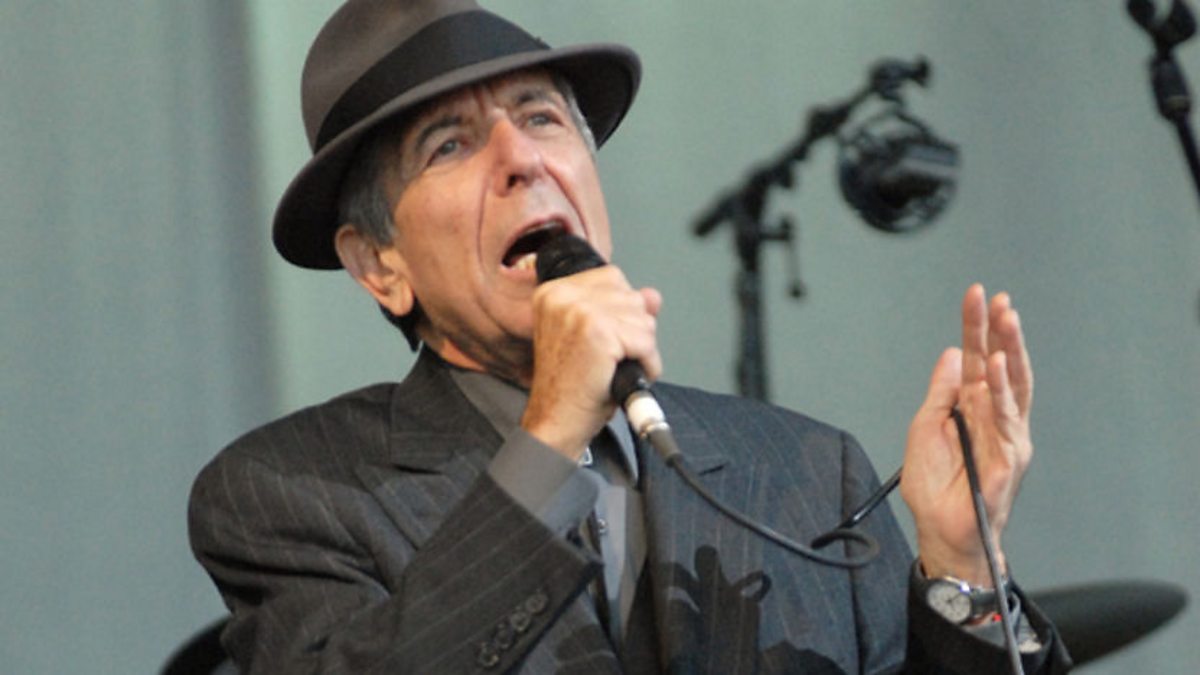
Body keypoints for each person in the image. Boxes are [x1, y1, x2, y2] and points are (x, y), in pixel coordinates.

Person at [188, 1, 1073, 673]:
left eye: (541, 117)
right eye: (448, 146)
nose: (521, 158)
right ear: (380, 263)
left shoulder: (810, 472)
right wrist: (549, 438)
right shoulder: (288, 493)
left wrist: (963, 569)